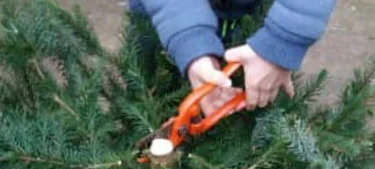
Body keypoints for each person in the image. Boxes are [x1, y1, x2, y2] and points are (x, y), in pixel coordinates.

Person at [128, 0, 337, 116]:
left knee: (262, 117)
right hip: (166, 16)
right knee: (150, 98)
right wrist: (189, 39)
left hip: (260, 15)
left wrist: (280, 40)